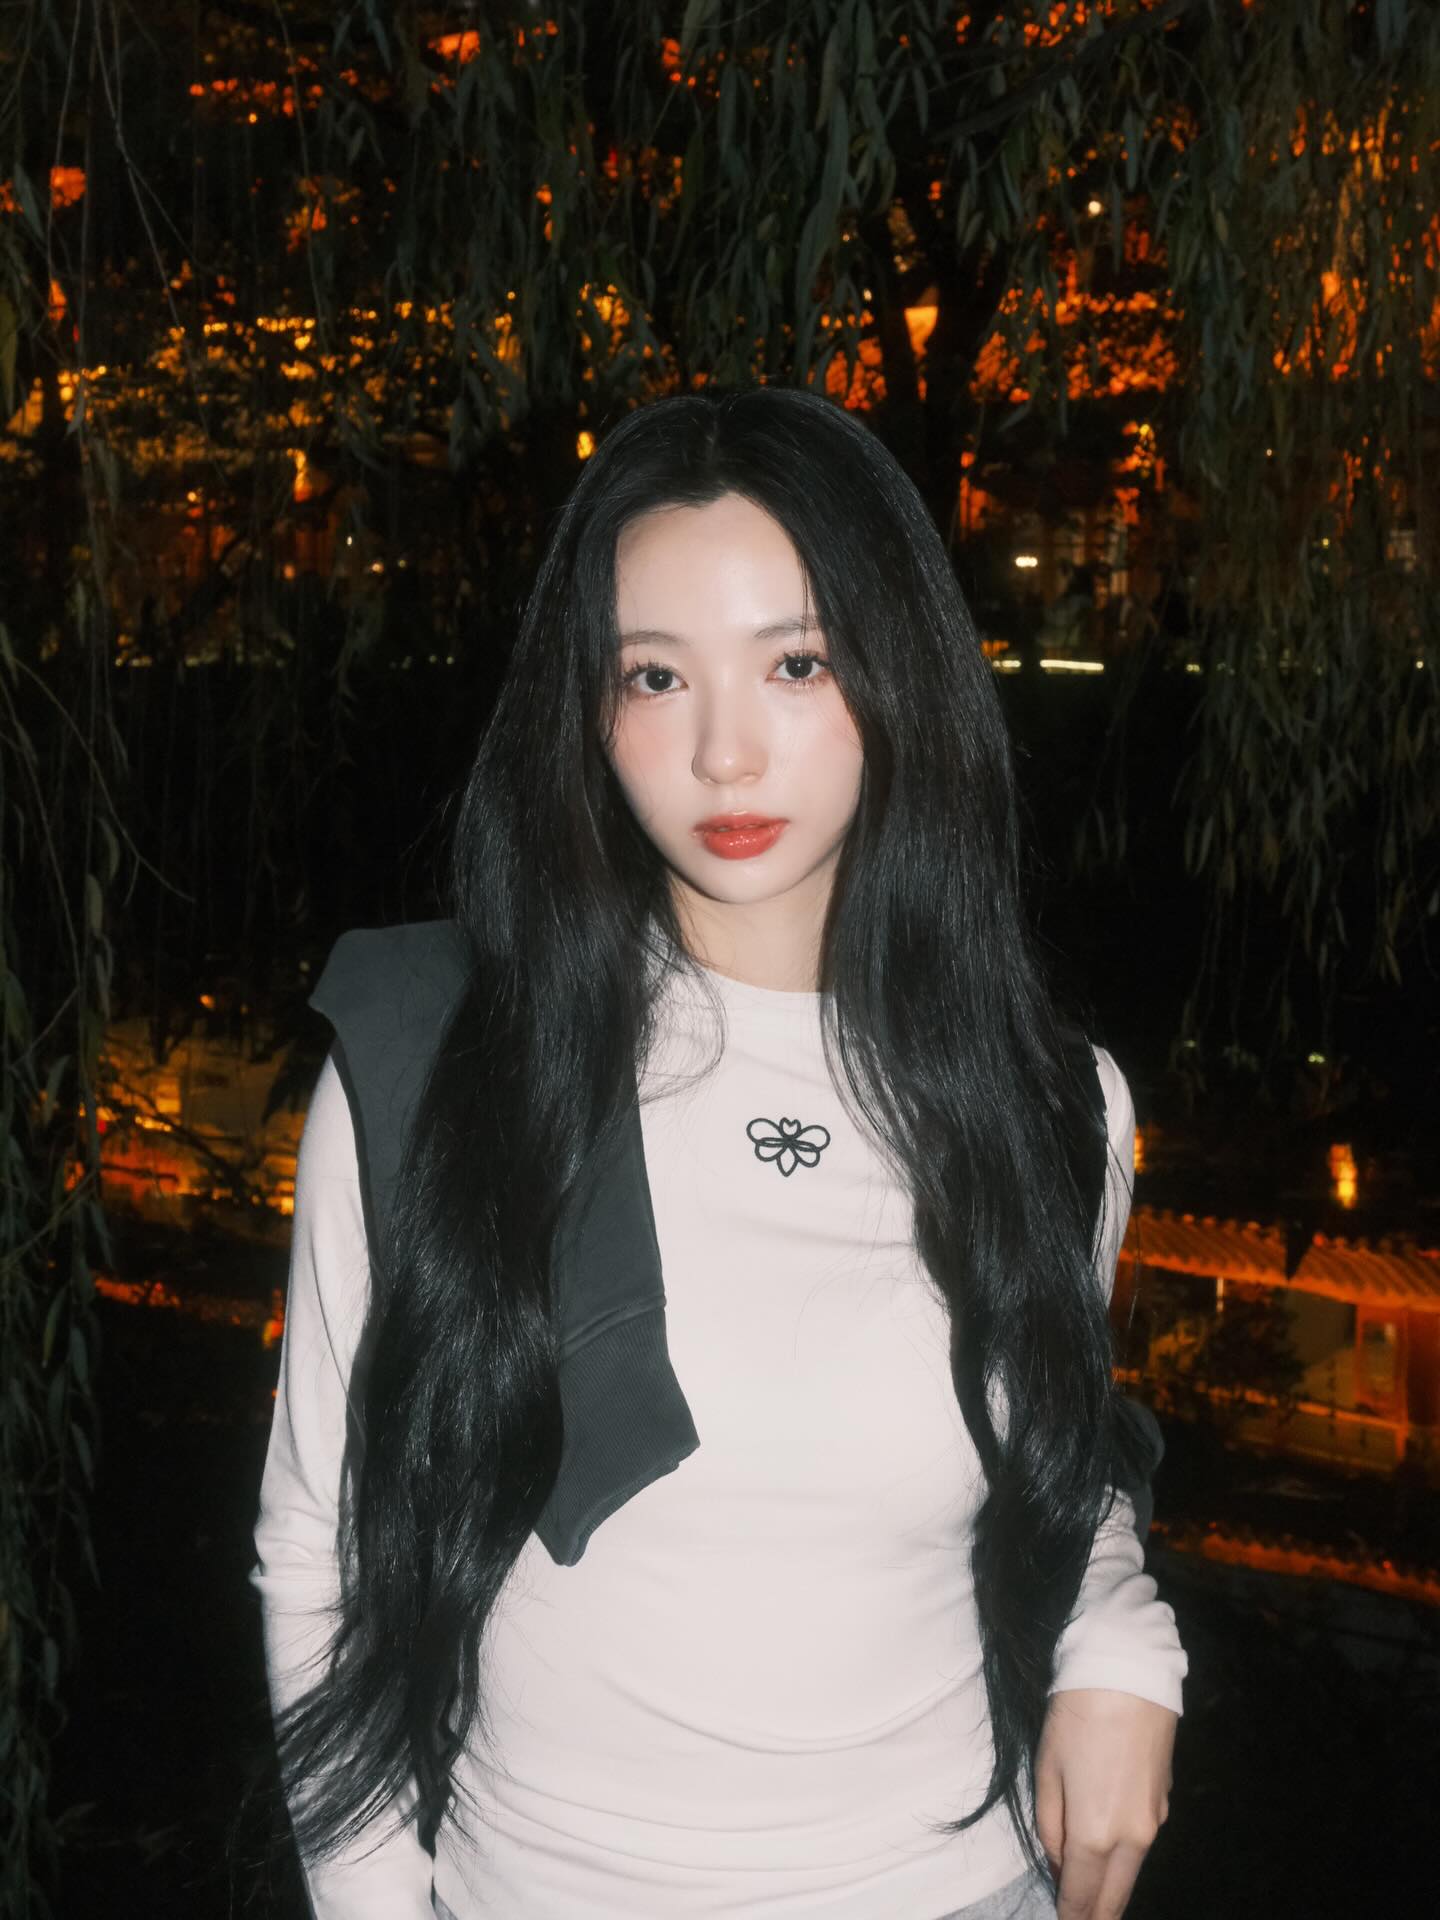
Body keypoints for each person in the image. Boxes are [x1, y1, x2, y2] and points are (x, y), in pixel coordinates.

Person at [250, 387, 1186, 1920]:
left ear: (899, 673)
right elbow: (319, 1548)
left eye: (796, 663)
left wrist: (1120, 1642)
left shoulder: (1051, 1104)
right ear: (588, 710)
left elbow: (1056, 1470)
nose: (726, 753)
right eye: (656, 675)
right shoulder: (443, 1069)